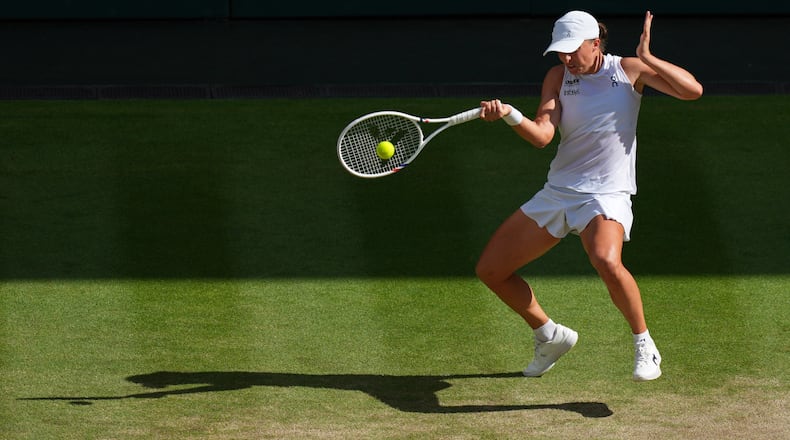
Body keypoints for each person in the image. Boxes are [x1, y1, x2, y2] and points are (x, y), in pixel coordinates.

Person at [475, 10, 702, 381]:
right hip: (560, 191)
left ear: (595, 43)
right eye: (560, 52)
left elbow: (693, 91)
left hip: (607, 193)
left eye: (571, 50)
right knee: (491, 270)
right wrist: (510, 115)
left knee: (606, 259)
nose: (566, 59)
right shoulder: (557, 77)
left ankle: (645, 344)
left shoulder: (627, 70)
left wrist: (648, 58)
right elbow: (542, 136)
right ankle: (550, 335)